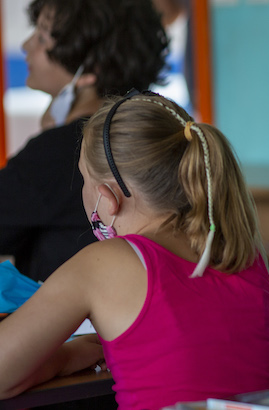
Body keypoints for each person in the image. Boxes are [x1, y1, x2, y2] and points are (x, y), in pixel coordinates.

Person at [0, 92, 269, 410]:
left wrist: (67, 357)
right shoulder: (241, 250)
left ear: (107, 197)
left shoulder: (104, 263)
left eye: (84, 179)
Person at [0, 0, 169, 282]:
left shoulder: (59, 150)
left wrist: (52, 137)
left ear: (89, 71)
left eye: (42, 38)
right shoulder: (144, 140)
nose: (26, 46)